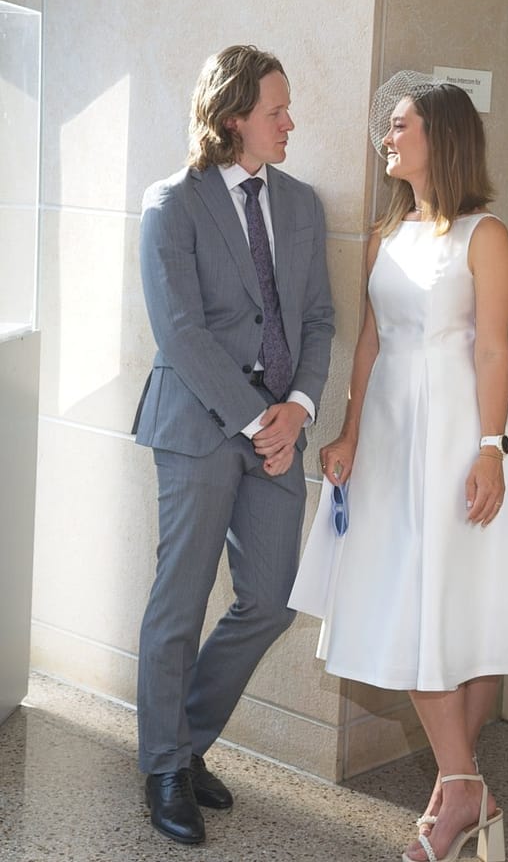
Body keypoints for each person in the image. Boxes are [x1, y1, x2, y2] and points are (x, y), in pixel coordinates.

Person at [303, 71, 508, 862]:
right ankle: (463, 787)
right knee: (407, 605)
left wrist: (489, 451)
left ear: (440, 138)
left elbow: (492, 348)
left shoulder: (483, 236)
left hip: (462, 440)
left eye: (399, 126)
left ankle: (456, 791)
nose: (386, 139)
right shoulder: (383, 237)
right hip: (390, 448)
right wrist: (350, 431)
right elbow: (369, 342)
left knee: (468, 615)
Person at [132, 44, 334, 845]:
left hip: (279, 429)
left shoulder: (303, 203)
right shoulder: (170, 204)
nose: (290, 122)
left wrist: (297, 410)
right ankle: (164, 769)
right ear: (231, 120)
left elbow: (316, 319)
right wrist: (257, 421)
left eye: (287, 108)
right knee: (178, 605)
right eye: (275, 110)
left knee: (271, 600)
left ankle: (180, 743)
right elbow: (179, 332)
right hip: (198, 424)